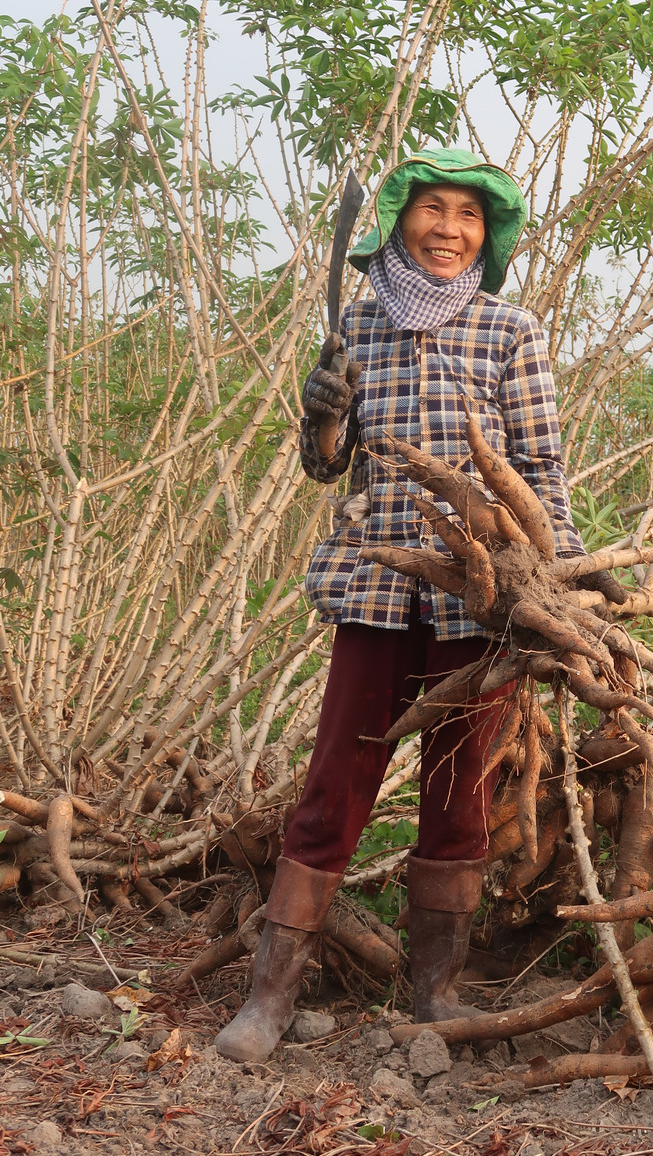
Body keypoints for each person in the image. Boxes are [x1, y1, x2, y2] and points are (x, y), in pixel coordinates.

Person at [215, 147, 621, 1063]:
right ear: (398, 220)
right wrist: (320, 414)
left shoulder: (511, 331)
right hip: (376, 580)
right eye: (432, 210)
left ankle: (434, 988)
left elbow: (542, 468)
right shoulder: (354, 330)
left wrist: (559, 586)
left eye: (468, 216)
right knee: (337, 778)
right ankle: (270, 996)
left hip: (483, 596)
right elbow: (326, 466)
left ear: (489, 235)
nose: (449, 230)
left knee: (461, 786)